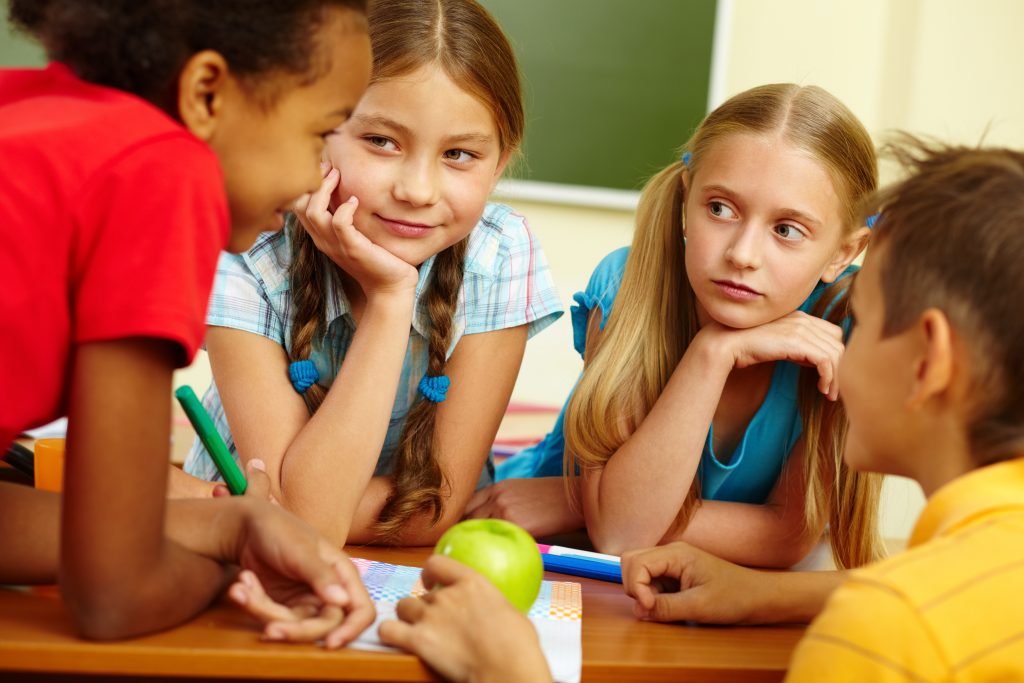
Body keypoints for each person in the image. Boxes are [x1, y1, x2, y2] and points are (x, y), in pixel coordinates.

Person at [0, 0, 375, 645]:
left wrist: (223, 527)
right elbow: (115, 595)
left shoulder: (27, 113)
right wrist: (233, 570)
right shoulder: (161, 172)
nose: (318, 176)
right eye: (320, 134)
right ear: (206, 92)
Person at [622, 141, 1024, 680]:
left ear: (928, 362)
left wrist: (514, 664)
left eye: (861, 319)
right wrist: (766, 594)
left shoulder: (884, 632)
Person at [174, 0, 562, 547]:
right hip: (230, 547)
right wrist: (391, 300)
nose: (417, 190)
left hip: (407, 565)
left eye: (458, 154)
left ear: (499, 164)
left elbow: (432, 508)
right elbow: (304, 524)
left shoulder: (499, 253)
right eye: (381, 141)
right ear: (317, 130)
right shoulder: (249, 246)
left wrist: (294, 506)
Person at [469, 84, 883, 569]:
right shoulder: (629, 286)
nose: (742, 255)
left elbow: (785, 536)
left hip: (629, 546)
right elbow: (622, 535)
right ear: (687, 200)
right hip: (533, 539)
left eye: (786, 230)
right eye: (720, 209)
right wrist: (713, 352)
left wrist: (578, 500)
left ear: (843, 253)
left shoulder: (848, 323)